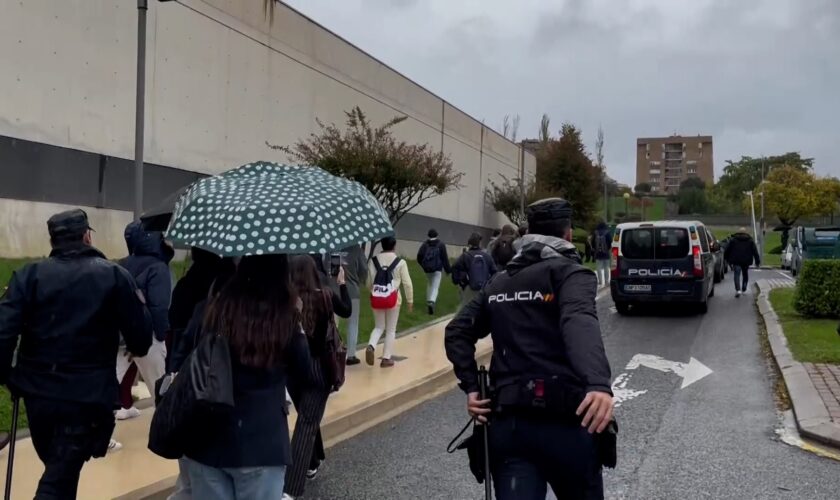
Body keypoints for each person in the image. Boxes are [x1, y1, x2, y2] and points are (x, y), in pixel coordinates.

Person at [445, 198, 614, 500]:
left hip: (509, 428)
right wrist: (598, 383)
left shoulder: (498, 283)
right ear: (567, 234)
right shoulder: (571, 274)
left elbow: (457, 331)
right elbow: (578, 321)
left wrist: (471, 387)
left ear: (529, 234)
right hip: (567, 424)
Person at [0, 209, 152, 499]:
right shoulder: (113, 275)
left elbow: (3, 332)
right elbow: (142, 339)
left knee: (60, 472)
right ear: (87, 235)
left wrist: (8, 375)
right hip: (86, 398)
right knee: (58, 480)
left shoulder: (28, 276)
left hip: (38, 396)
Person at [183, 254, 311, 500]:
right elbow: (303, 371)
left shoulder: (216, 307)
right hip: (262, 441)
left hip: (208, 436)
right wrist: (299, 322)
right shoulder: (285, 316)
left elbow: (193, 350)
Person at [284, 256, 352, 499]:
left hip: (292, 370)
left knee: (307, 414)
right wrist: (341, 283)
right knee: (307, 423)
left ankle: (313, 461)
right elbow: (347, 309)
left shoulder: (287, 300)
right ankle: (290, 488)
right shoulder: (325, 295)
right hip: (319, 368)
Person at [115, 221, 173, 420]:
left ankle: (96, 432)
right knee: (159, 385)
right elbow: (159, 307)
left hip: (120, 335)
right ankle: (167, 428)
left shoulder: (120, 265)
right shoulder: (159, 268)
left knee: (110, 382)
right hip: (148, 336)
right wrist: (160, 336)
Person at [366, 237, 414, 368]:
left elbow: (369, 282)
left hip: (377, 296)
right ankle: (386, 358)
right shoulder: (400, 262)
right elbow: (407, 283)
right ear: (394, 246)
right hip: (394, 299)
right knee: (391, 330)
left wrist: (374, 291)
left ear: (381, 245)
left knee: (378, 326)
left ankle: (371, 345)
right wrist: (410, 300)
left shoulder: (373, 261)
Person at [452, 233, 498, 308]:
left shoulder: (465, 256)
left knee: (467, 309)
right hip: (484, 287)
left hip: (469, 286)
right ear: (480, 243)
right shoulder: (487, 256)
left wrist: (460, 281)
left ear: (469, 244)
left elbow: (455, 268)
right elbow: (495, 272)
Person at [341, 244, 369, 365]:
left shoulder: (330, 246)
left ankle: (331, 352)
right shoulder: (356, 249)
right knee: (353, 323)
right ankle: (351, 355)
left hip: (332, 290)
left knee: (331, 322)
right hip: (351, 290)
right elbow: (363, 270)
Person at [417, 229, 452, 315]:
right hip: (437, 269)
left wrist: (423, 265)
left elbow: (419, 256)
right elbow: (445, 258)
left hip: (427, 269)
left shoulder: (425, 244)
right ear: (437, 235)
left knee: (429, 284)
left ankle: (428, 300)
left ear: (428, 235)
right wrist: (448, 270)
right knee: (435, 286)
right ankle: (431, 302)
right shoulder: (441, 244)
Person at [724, 228, 761, 297]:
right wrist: (757, 262)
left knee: (736, 275)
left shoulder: (733, 240)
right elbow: (755, 252)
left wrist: (725, 258)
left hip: (736, 260)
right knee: (745, 273)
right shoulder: (750, 241)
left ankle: (738, 290)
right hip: (746, 261)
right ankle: (744, 286)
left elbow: (727, 250)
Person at [592, 222, 612, 288]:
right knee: (606, 267)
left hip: (598, 252)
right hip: (606, 252)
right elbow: (610, 242)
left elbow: (592, 242)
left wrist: (595, 249)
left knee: (598, 267)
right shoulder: (607, 233)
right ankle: (606, 281)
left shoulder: (595, 233)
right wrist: (608, 248)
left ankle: (600, 281)